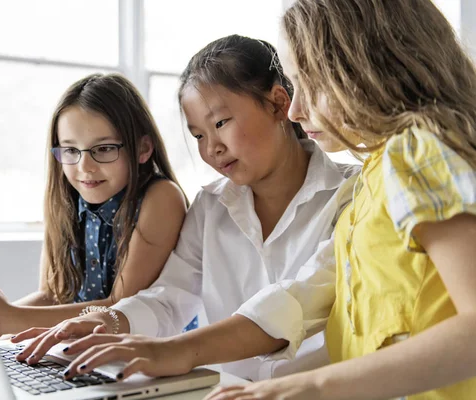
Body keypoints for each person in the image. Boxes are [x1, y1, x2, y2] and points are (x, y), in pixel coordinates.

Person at [10, 34, 356, 382]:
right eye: (198, 136)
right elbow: (169, 296)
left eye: (220, 123)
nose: (212, 150)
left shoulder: (352, 194)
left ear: (279, 104)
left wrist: (171, 351)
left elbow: (297, 300)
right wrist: (107, 320)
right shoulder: (211, 205)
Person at [202, 0, 476, 398]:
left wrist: (308, 388)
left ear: (369, 67)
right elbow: (363, 336)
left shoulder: (417, 152)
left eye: (309, 84)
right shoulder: (378, 171)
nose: (294, 110)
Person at [0, 73, 187, 339]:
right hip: (80, 351)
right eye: (71, 151)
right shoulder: (65, 201)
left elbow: (119, 308)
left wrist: (11, 317)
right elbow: (52, 295)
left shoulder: (161, 198)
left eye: (105, 148)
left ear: (143, 148)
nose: (85, 167)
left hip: (145, 354)